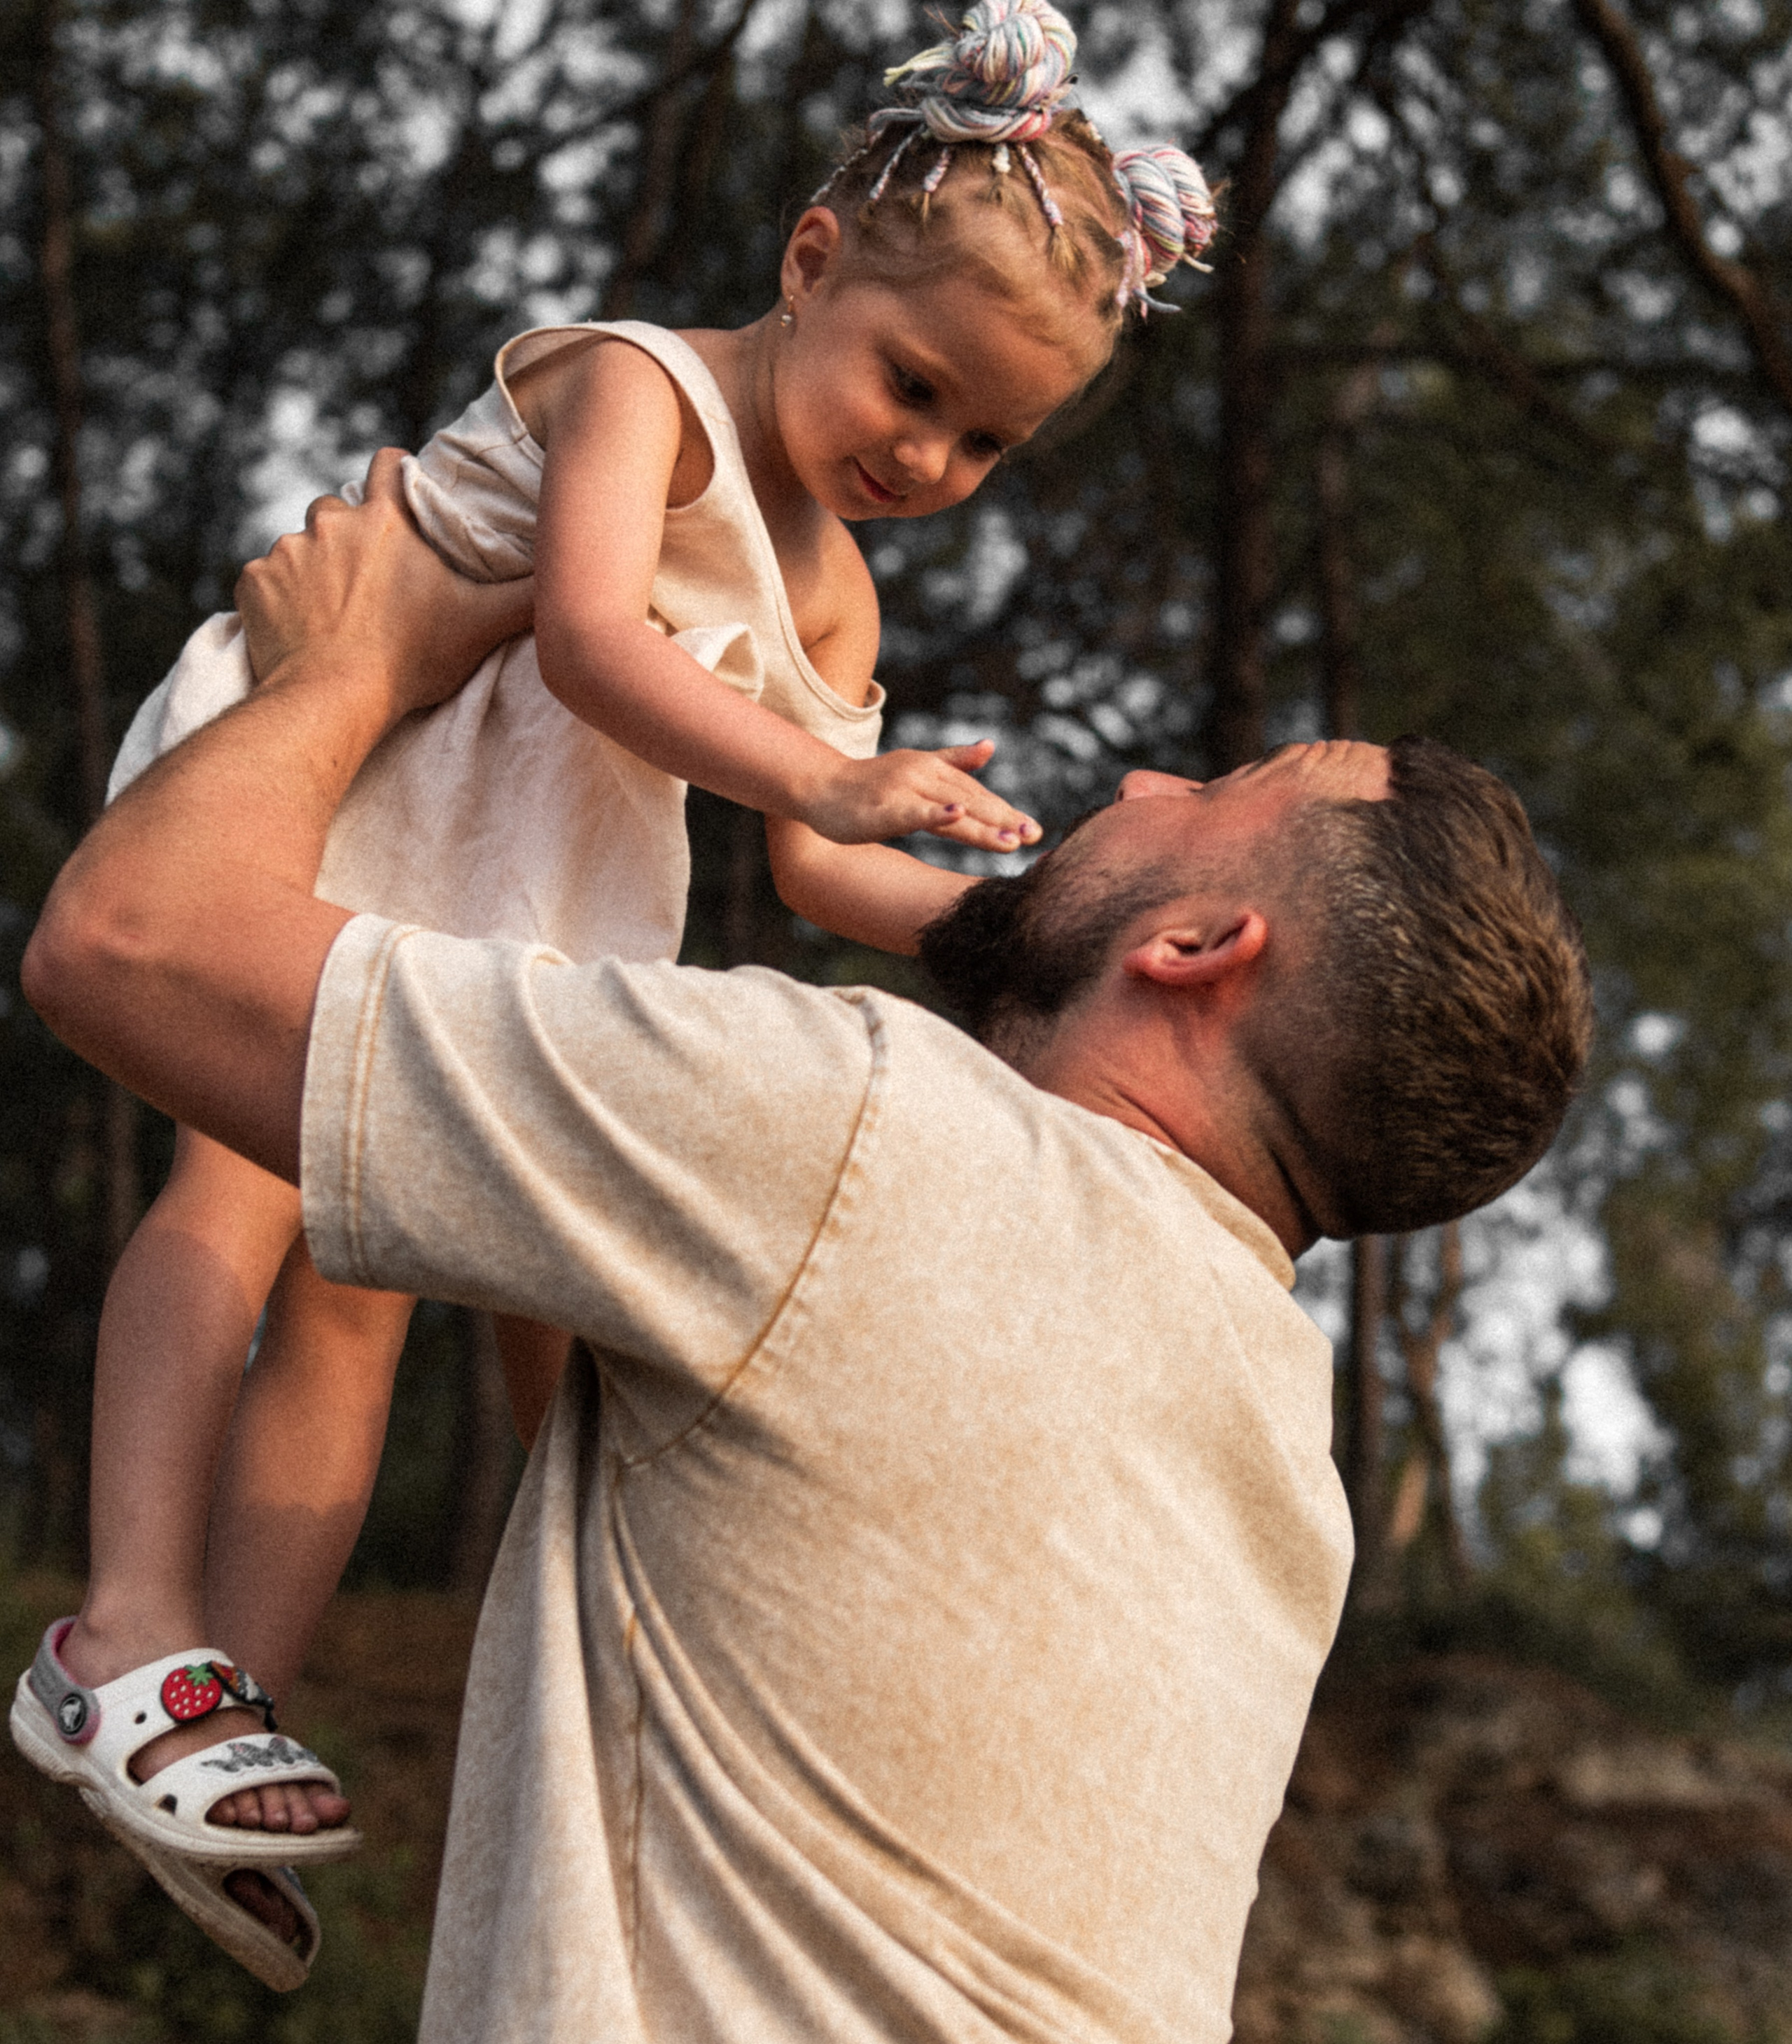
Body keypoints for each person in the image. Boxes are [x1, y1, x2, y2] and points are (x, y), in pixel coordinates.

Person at [18, 454, 1593, 2033]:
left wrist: (353, 661)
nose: (1135, 790)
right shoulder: (1278, 1488)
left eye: (1203, 795)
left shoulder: (868, 1138)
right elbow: (648, 1493)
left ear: (1193, 948)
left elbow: (126, 944)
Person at [10, 0, 1224, 1973]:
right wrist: (825, 767)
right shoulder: (637, 387)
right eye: (914, 385)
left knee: (359, 1311)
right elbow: (585, 641)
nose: (928, 453)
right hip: (354, 779)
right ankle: (120, 1631)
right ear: (810, 264)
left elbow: (817, 865)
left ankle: (221, 1710)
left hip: (511, 890)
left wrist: (1000, 930)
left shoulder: (839, 586)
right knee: (225, 1210)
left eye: (987, 439)